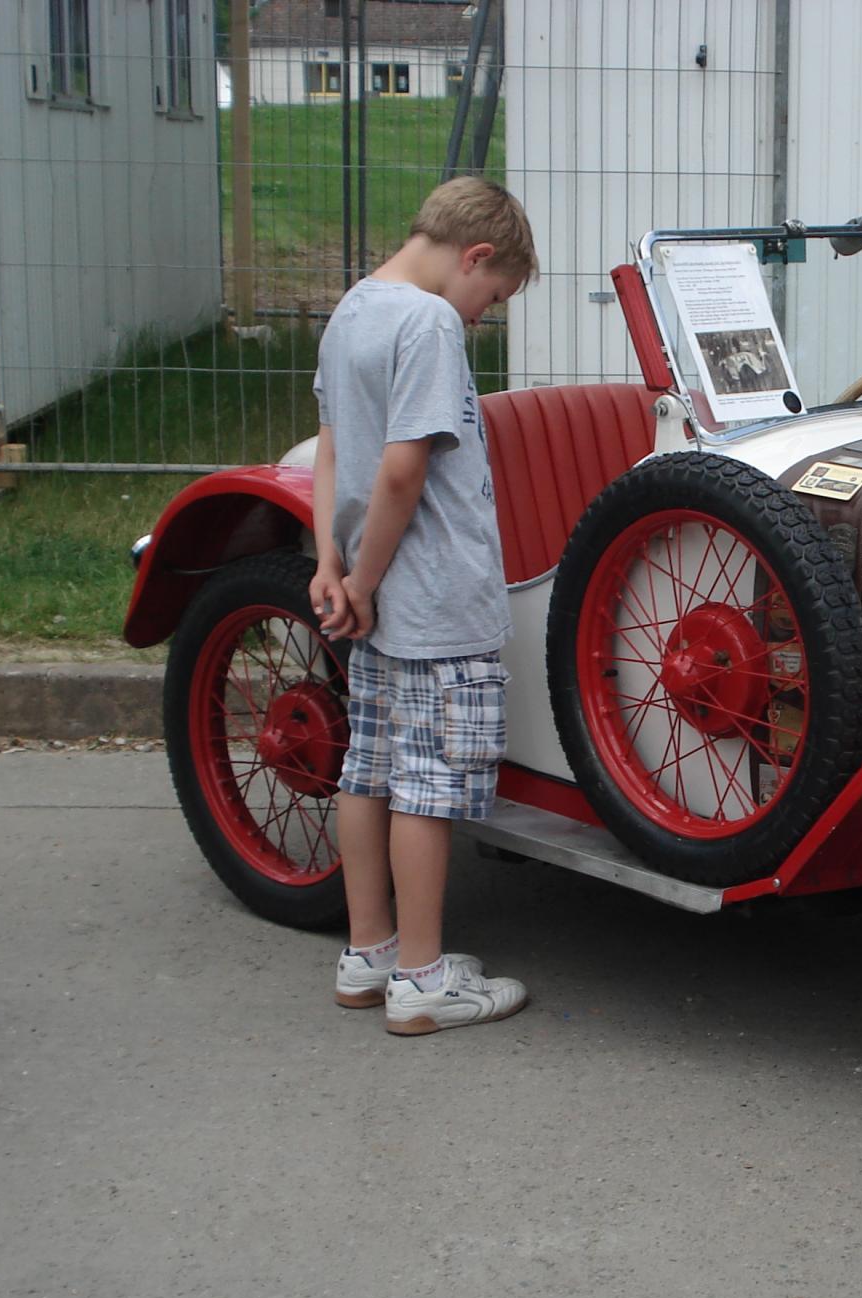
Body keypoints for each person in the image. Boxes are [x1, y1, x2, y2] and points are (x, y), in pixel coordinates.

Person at [311, 176, 538, 1036]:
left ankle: (368, 952)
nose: (481, 317)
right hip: (435, 593)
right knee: (429, 787)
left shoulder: (354, 310)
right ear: (474, 257)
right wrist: (366, 582)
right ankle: (423, 980)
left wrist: (334, 565)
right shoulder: (430, 322)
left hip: (369, 593)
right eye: (494, 297)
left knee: (367, 769)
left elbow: (334, 449)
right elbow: (404, 471)